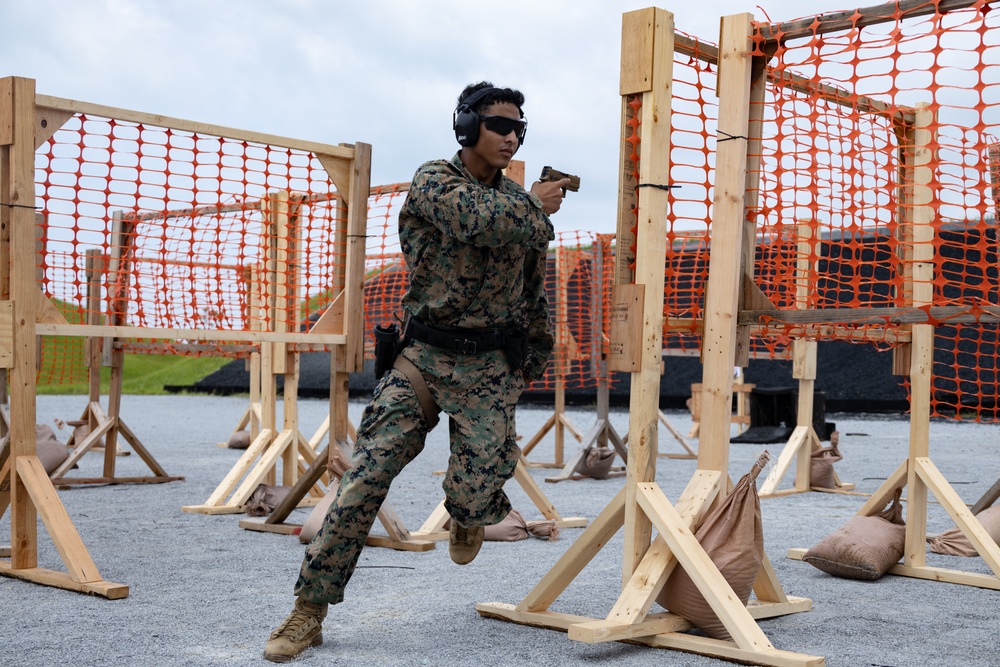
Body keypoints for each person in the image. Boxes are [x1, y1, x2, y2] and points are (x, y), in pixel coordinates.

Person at [263, 81, 570, 662]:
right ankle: (308, 611)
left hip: (490, 365)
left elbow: (533, 292)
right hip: (424, 359)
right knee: (363, 480)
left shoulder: (525, 211)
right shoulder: (435, 182)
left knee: (480, 493)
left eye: (519, 128)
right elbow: (477, 221)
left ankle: (469, 512)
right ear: (466, 127)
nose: (511, 136)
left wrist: (532, 359)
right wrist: (534, 207)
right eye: (499, 125)